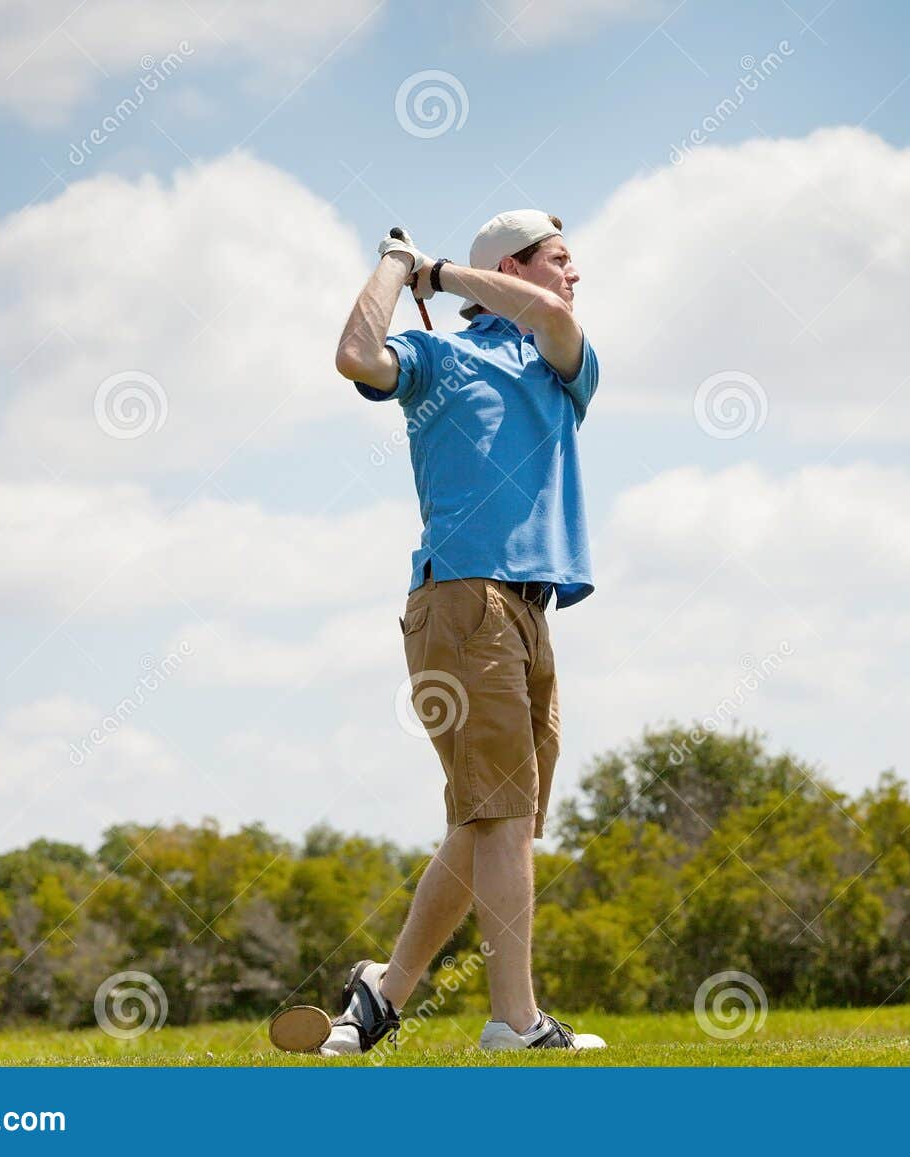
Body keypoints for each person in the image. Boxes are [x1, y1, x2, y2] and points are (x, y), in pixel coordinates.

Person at [310, 209, 603, 1054]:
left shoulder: (557, 360)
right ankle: (514, 1021)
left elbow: (550, 318)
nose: (573, 275)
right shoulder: (437, 357)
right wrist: (396, 270)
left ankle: (382, 991)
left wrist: (435, 274)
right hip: (463, 601)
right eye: (560, 259)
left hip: (531, 607)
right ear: (514, 264)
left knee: (491, 819)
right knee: (501, 814)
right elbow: (357, 356)